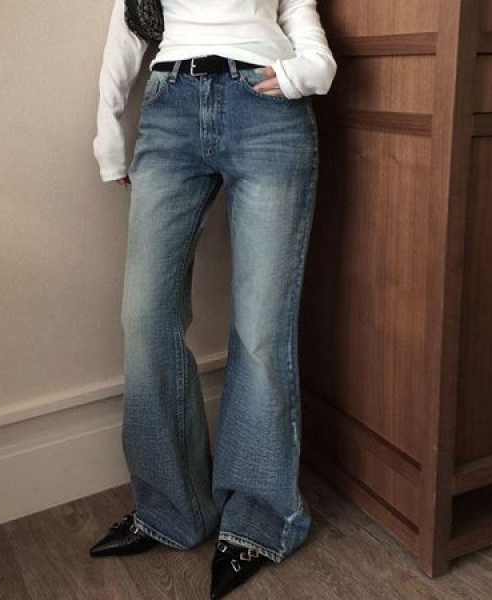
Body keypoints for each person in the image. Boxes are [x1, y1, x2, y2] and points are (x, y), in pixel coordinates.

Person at [88, 1, 337, 598]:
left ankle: (259, 519)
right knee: (145, 317)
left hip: (268, 109)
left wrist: (309, 70)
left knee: (261, 329)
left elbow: (304, 22)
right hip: (171, 106)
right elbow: (128, 27)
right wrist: (107, 132)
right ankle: (170, 510)